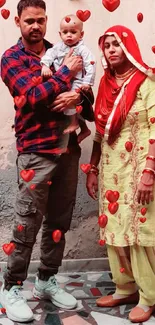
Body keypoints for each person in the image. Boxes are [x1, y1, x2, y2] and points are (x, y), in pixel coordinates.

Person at [0, 0, 94, 322]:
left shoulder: (60, 50)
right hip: (35, 153)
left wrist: (78, 95)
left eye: (41, 20)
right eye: (29, 21)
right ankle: (11, 286)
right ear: (18, 22)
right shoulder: (12, 59)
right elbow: (32, 97)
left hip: (67, 150)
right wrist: (66, 74)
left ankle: (46, 281)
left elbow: (87, 94)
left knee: (58, 221)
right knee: (26, 223)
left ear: (46, 20)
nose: (36, 26)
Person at [86, 25, 155, 323]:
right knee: (115, 226)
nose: (111, 50)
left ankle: (149, 295)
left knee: (139, 229)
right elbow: (100, 133)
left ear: (128, 47)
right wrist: (92, 168)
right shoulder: (105, 84)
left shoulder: (147, 82)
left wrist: (150, 172)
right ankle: (124, 286)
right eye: (107, 45)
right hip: (112, 170)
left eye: (116, 44)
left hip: (140, 167)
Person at [41, 14, 96, 142]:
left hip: (78, 81)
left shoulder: (82, 49)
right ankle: (84, 129)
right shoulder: (58, 47)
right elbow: (49, 55)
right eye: (65, 32)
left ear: (81, 35)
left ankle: (74, 123)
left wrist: (87, 82)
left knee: (70, 99)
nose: (69, 35)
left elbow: (91, 64)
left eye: (73, 32)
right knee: (66, 101)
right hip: (64, 79)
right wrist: (45, 66)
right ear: (60, 34)